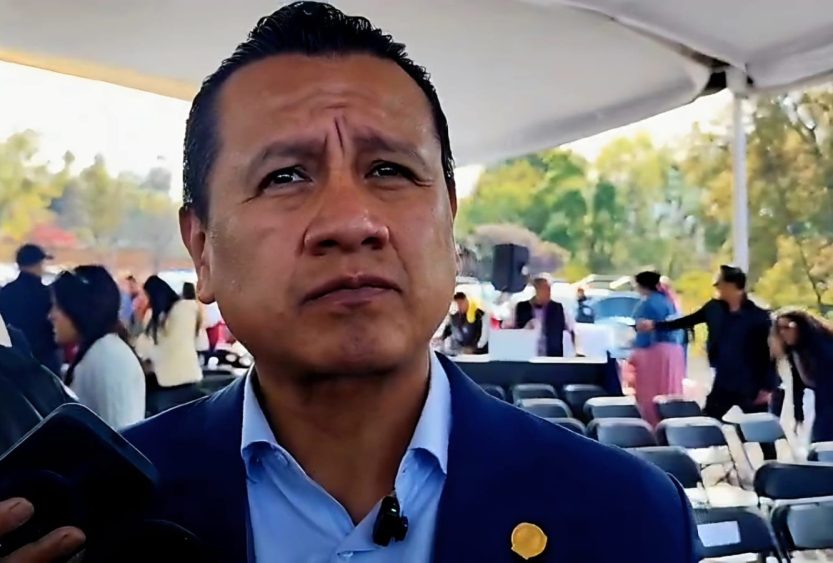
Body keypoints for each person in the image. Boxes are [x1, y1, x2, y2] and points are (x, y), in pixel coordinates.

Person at [0, 4, 700, 561]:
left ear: (449, 221)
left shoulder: (629, 518)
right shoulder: (91, 521)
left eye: (390, 170)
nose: (351, 221)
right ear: (202, 247)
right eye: (285, 176)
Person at [637, 265, 779, 459]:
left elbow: (770, 354)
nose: (716, 287)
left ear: (732, 285)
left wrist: (768, 386)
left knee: (763, 434)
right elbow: (687, 321)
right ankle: (701, 460)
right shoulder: (714, 308)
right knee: (707, 421)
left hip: (752, 384)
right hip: (725, 380)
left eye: (719, 283)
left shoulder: (759, 316)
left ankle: (772, 468)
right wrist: (655, 326)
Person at [50, 266, 146, 428]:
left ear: (78, 308)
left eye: (57, 306)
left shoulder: (107, 357)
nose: (51, 315)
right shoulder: (103, 350)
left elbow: (117, 433)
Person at [630, 271, 686, 426]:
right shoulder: (669, 301)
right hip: (674, 351)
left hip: (654, 352)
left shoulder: (647, 304)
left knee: (650, 394)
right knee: (669, 391)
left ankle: (653, 426)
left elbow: (642, 331)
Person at [770, 310, 833, 443]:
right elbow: (797, 386)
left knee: (822, 439)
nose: (783, 332)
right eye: (779, 329)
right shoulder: (795, 352)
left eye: (787, 327)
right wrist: (797, 416)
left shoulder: (823, 349)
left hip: (827, 399)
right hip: (823, 401)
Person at [0, 243, 61, 375]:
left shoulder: (4, 293)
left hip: (10, 365)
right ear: (38, 264)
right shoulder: (49, 294)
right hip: (44, 364)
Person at [135, 276, 203, 388]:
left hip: (173, 379)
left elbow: (148, 348)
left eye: (145, 295)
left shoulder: (174, 313)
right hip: (186, 376)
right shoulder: (182, 310)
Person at [514, 275, 575, 357]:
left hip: (552, 358)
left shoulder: (558, 308)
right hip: (526, 357)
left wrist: (578, 350)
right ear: (536, 291)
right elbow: (509, 330)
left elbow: (573, 330)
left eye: (548, 289)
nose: (548, 293)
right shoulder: (521, 308)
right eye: (543, 289)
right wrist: (525, 329)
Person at [182, 281, 210, 353]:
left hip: (189, 343)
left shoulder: (181, 306)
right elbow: (206, 322)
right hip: (202, 342)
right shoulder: (200, 305)